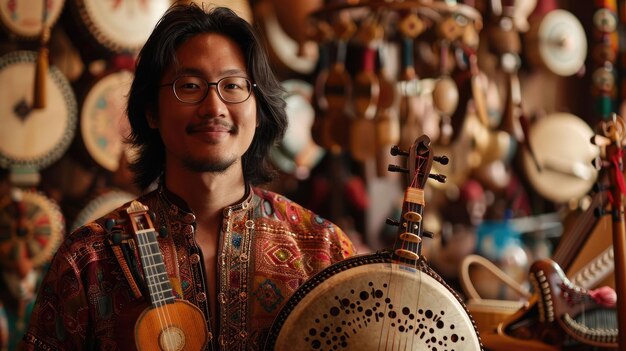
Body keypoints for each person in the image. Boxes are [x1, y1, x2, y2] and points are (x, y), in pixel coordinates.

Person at [21, 3, 355, 350]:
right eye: (190, 86)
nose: (214, 107)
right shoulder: (89, 260)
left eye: (234, 85)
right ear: (151, 111)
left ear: (259, 111)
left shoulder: (323, 252)